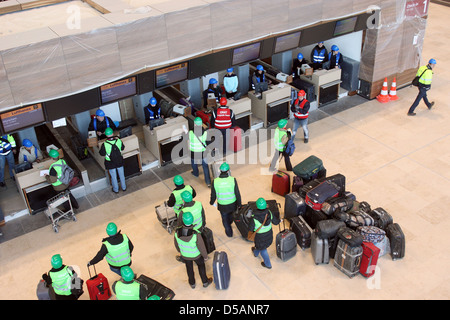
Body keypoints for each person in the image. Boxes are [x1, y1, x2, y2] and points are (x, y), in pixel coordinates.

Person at [174, 212, 212, 289]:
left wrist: (180, 251)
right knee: (201, 267)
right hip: (196, 256)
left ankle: (192, 283)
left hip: (185, 256)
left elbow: (176, 244)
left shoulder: (177, 232)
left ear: (182, 220)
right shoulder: (196, 234)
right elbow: (202, 247)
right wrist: (205, 256)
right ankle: (205, 282)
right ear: (192, 220)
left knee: (189, 268)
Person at [209, 162, 242, 237]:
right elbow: (237, 193)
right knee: (231, 216)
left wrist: (211, 202)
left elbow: (213, 194)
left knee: (224, 220)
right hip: (233, 204)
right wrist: (239, 204)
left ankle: (229, 233)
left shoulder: (215, 181)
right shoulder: (233, 180)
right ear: (228, 171)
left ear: (220, 170)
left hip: (222, 206)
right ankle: (230, 222)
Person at [249, 198, 281, 269]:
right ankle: (255, 252)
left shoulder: (254, 217)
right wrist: (280, 220)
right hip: (269, 236)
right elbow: (275, 222)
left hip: (260, 237)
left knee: (263, 249)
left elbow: (250, 229)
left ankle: (268, 264)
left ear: (257, 206)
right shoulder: (269, 213)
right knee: (260, 246)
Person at [99, 127, 126, 194]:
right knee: (121, 175)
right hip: (119, 161)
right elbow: (122, 148)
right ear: (113, 133)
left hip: (110, 163)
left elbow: (101, 153)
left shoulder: (105, 144)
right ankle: (124, 187)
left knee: (113, 177)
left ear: (106, 135)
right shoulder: (118, 140)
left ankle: (116, 189)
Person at [188, 117, 211, 187]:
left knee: (194, 163)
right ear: (201, 125)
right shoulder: (205, 132)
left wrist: (188, 149)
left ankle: (195, 173)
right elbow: (208, 142)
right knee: (205, 166)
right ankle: (208, 182)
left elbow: (188, 141)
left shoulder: (191, 132)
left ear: (194, 124)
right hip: (202, 152)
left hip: (193, 151)